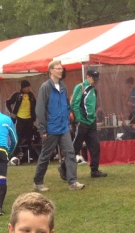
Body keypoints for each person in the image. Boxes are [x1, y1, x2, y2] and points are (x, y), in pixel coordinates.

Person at [33, 60, 84, 191]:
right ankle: (38, 182)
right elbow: (40, 109)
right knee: (46, 156)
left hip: (63, 127)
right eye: (58, 68)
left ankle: (73, 182)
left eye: (61, 68)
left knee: (70, 153)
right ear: (51, 71)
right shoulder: (45, 87)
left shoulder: (63, 86)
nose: (61, 70)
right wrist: (42, 129)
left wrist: (67, 119)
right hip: (51, 128)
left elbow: (66, 105)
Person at [71, 68, 107, 179]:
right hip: (82, 122)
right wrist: (78, 120)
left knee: (95, 146)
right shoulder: (80, 87)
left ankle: (94, 170)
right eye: (93, 78)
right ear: (87, 77)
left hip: (91, 123)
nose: (95, 80)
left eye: (96, 78)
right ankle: (63, 168)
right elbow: (74, 104)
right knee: (76, 147)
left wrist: (93, 117)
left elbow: (92, 106)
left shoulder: (94, 90)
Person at [6, 80, 36, 164]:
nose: (29, 88)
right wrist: (11, 112)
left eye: (29, 87)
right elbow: (8, 103)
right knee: (18, 138)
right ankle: (13, 155)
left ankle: (30, 156)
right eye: (27, 87)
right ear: (23, 88)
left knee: (29, 138)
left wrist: (34, 116)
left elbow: (34, 105)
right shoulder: (17, 95)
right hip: (20, 119)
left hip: (29, 119)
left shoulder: (31, 95)